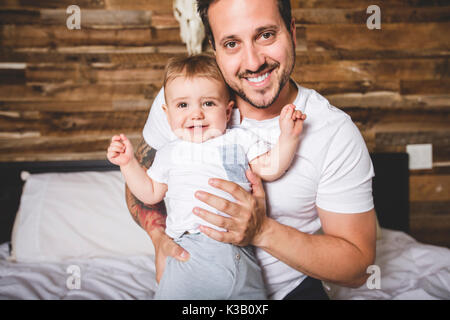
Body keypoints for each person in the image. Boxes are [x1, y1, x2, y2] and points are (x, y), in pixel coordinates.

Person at [126, 0, 377, 300]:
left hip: (291, 291)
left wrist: (262, 231)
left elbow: (358, 266)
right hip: (193, 278)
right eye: (231, 43)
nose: (253, 61)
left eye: (266, 35)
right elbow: (143, 183)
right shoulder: (184, 97)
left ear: (292, 32)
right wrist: (159, 240)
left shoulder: (333, 132)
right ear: (214, 48)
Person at [108, 54, 305, 299]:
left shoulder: (236, 140)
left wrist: (288, 137)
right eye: (183, 105)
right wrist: (128, 164)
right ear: (167, 114)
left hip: (237, 251)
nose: (196, 114)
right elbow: (149, 193)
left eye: (208, 104)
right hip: (186, 253)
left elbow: (270, 168)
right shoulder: (170, 152)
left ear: (228, 110)